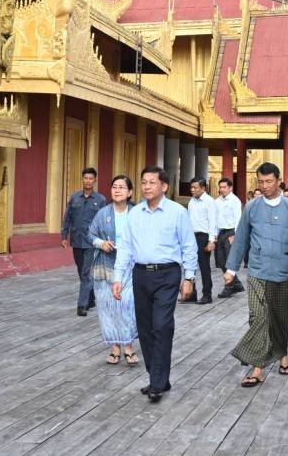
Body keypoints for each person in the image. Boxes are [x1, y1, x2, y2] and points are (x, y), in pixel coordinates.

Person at [112, 167, 198, 403]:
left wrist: (189, 278)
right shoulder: (134, 214)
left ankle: (157, 383)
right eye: (144, 182)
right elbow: (126, 247)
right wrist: (118, 277)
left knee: (162, 326)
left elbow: (189, 246)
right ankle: (158, 377)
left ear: (164, 186)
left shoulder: (177, 212)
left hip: (167, 275)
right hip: (140, 275)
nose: (147, 186)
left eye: (152, 182)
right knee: (145, 329)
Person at [225, 163, 288, 387]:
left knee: (280, 317)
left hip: (282, 271)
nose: (264, 186)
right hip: (257, 270)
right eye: (260, 182)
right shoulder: (252, 207)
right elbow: (241, 239)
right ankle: (257, 367)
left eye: (269, 181)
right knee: (258, 316)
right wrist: (231, 269)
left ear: (278, 181)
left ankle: (282, 355)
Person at [87, 175, 140, 366]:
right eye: (114, 187)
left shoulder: (137, 213)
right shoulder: (103, 213)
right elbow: (90, 234)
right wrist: (101, 243)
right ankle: (115, 347)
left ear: (130, 192)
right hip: (106, 266)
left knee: (127, 305)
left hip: (130, 266)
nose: (117, 190)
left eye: (122, 187)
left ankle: (128, 345)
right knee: (108, 307)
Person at [62, 167, 108, 316]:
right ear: (82, 179)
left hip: (91, 242)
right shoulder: (75, 198)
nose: (88, 181)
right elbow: (67, 218)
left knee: (86, 273)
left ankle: (82, 305)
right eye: (85, 178)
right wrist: (64, 236)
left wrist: (103, 241)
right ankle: (91, 298)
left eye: (90, 178)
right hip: (76, 241)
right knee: (81, 271)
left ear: (94, 180)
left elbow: (104, 222)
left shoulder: (100, 200)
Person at [185, 178, 216, 304]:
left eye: (195, 187)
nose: (192, 190)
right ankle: (192, 293)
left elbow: (213, 222)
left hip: (203, 237)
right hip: (191, 237)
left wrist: (211, 240)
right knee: (190, 265)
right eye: (191, 187)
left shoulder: (209, 201)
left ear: (203, 188)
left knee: (204, 267)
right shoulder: (191, 201)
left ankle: (207, 294)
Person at [214, 177, 244, 297]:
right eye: (220, 187)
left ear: (230, 188)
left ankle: (229, 286)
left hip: (231, 232)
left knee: (229, 261)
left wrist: (235, 235)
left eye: (224, 187)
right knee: (220, 260)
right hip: (221, 232)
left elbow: (238, 218)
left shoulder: (235, 201)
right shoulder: (217, 201)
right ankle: (237, 283)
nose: (222, 189)